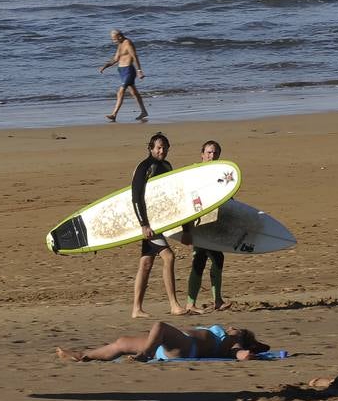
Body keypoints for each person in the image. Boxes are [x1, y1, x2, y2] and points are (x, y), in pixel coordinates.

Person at [130, 132, 189, 318]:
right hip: (148, 223)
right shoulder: (144, 167)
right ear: (151, 148)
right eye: (158, 148)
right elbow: (136, 197)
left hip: (159, 222)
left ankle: (136, 309)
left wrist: (184, 226)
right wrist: (143, 224)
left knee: (146, 263)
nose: (162, 151)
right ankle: (174, 305)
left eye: (164, 147)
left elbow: (171, 196)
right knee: (169, 257)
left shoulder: (167, 166)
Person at [56, 321, 270, 362]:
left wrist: (247, 353)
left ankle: (146, 354)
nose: (232, 327)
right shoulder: (229, 337)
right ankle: (82, 355)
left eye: (237, 329)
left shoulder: (234, 343)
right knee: (121, 342)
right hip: (171, 345)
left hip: (186, 347)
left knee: (159, 326)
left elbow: (240, 355)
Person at [185, 139, 228, 312]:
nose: (212, 155)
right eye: (209, 152)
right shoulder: (195, 173)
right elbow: (189, 200)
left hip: (213, 223)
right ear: (202, 155)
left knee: (211, 258)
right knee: (202, 260)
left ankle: (211, 301)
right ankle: (194, 303)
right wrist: (187, 229)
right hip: (199, 224)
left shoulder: (220, 174)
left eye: (215, 152)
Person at [99, 29, 150, 122]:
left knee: (120, 92)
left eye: (114, 39)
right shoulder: (120, 44)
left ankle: (114, 114)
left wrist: (139, 70)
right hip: (122, 71)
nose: (113, 41)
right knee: (134, 93)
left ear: (119, 36)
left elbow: (135, 57)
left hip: (129, 71)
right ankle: (144, 111)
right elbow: (115, 59)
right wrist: (105, 66)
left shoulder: (128, 43)